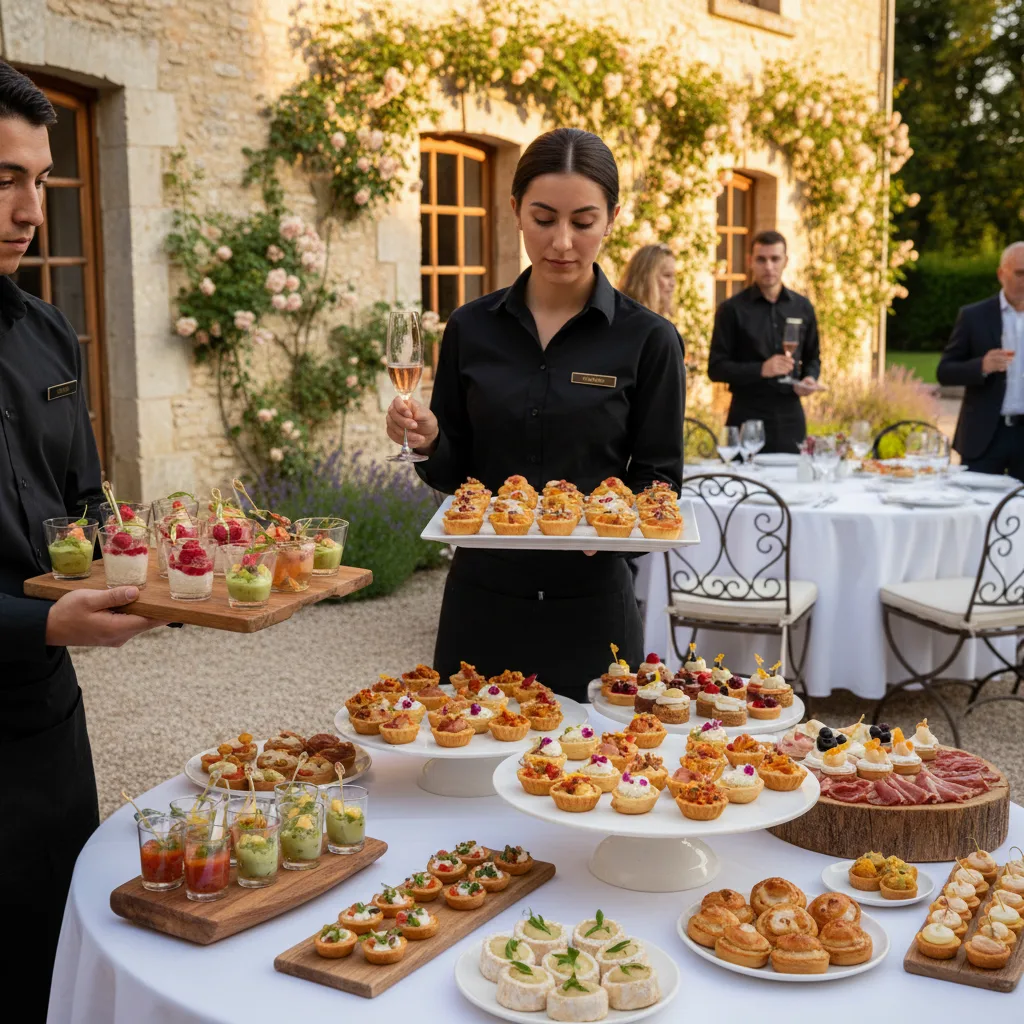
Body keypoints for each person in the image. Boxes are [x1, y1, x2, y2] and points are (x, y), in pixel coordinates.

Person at [385, 128, 684, 699]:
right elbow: (455, 474)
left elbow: (660, 479)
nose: (563, 242)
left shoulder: (650, 340)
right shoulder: (471, 328)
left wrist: (614, 534)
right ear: (516, 209)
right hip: (482, 603)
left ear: (612, 218)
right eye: (544, 219)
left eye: (583, 221)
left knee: (595, 779)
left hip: (593, 609)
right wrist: (426, 440)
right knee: (463, 768)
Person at [0, 62, 159, 1016]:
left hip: (48, 735)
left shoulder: (52, 334)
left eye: (40, 179)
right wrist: (50, 626)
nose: (28, 207)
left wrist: (183, 572)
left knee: (49, 969)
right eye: (2, 179)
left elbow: (89, 503)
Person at [707, 230, 822, 454]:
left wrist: (809, 378)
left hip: (791, 417)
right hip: (746, 416)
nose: (768, 266)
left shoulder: (803, 307)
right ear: (750, 261)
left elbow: (813, 357)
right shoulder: (732, 310)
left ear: (786, 261)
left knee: (793, 486)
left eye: (775, 259)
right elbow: (716, 368)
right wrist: (762, 369)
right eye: (761, 259)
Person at [937, 241, 1024, 480]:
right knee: (977, 511)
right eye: (1019, 273)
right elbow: (944, 372)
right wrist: (981, 366)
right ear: (1001, 274)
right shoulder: (974, 316)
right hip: (984, 436)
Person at [618, 242, 677, 319]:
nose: (673, 283)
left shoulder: (661, 321)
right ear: (646, 277)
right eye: (667, 275)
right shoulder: (626, 317)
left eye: (673, 276)